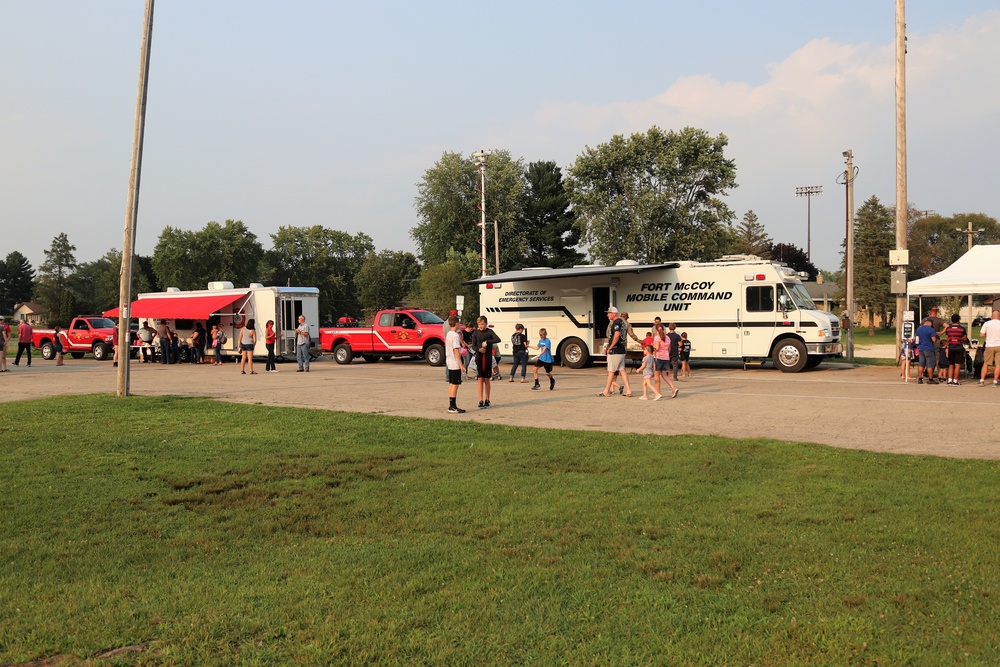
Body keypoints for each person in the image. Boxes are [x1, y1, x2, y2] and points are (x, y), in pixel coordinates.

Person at [599, 307, 632, 397]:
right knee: (622, 370)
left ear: (614, 313)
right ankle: (628, 390)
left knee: (611, 371)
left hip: (616, 350)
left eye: (609, 313)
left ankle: (606, 391)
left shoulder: (617, 322)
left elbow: (617, 335)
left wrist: (610, 347)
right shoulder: (623, 323)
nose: (607, 315)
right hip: (621, 350)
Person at [470, 315, 501, 408]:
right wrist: (479, 349)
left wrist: (487, 342)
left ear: (486, 324)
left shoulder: (489, 332)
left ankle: (487, 399)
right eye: (479, 324)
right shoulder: (476, 333)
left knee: (487, 379)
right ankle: (480, 400)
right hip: (479, 358)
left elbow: (498, 339)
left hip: (487, 358)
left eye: (482, 324)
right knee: (480, 378)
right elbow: (473, 345)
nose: (481, 326)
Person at [445, 315, 466, 413]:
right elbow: (456, 350)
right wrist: (461, 364)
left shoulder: (448, 334)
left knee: (452, 383)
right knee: (455, 384)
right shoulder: (455, 335)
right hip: (454, 362)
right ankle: (452, 406)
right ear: (457, 323)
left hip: (449, 361)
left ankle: (451, 404)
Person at [652, 323, 679, 398]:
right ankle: (673, 388)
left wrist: (653, 347)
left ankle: (658, 392)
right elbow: (669, 349)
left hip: (658, 357)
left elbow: (657, 348)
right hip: (666, 358)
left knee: (657, 376)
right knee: (664, 375)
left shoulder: (657, 338)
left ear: (656, 330)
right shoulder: (667, 338)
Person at [944, 314, 970, 385]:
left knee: (951, 364)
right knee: (957, 365)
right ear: (959, 320)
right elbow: (965, 338)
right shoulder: (962, 328)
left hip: (951, 347)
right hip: (959, 347)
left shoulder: (948, 329)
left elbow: (947, 338)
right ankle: (955, 380)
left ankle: (949, 380)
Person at [979, 310, 1000, 386]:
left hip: (989, 345)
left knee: (986, 363)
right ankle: (995, 381)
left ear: (992, 316)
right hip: (999, 345)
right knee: (998, 364)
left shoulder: (987, 323)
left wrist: (987, 334)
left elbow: (981, 335)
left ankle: (982, 380)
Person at [914, 317, 939, 384]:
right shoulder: (931, 330)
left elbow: (917, 339)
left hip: (921, 348)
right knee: (930, 364)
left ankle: (920, 378)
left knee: (921, 363)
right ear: (930, 323)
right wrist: (935, 337)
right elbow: (934, 340)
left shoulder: (919, 329)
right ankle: (930, 379)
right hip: (929, 348)